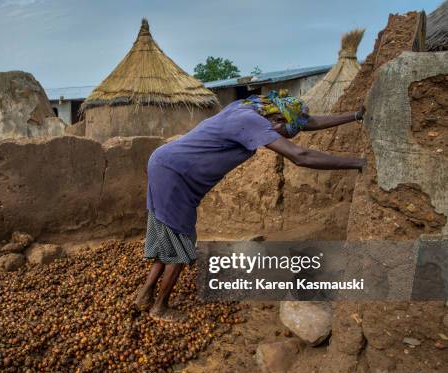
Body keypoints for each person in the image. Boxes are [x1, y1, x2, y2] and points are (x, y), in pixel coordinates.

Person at [136, 90, 366, 321]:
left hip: (166, 164)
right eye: (284, 133)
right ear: (277, 120)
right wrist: (358, 163)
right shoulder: (249, 120)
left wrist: (354, 116)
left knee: (170, 235)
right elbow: (301, 156)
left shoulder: (251, 107)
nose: (280, 138)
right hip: (175, 176)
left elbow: (305, 122)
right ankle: (160, 307)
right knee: (182, 241)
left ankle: (144, 296)